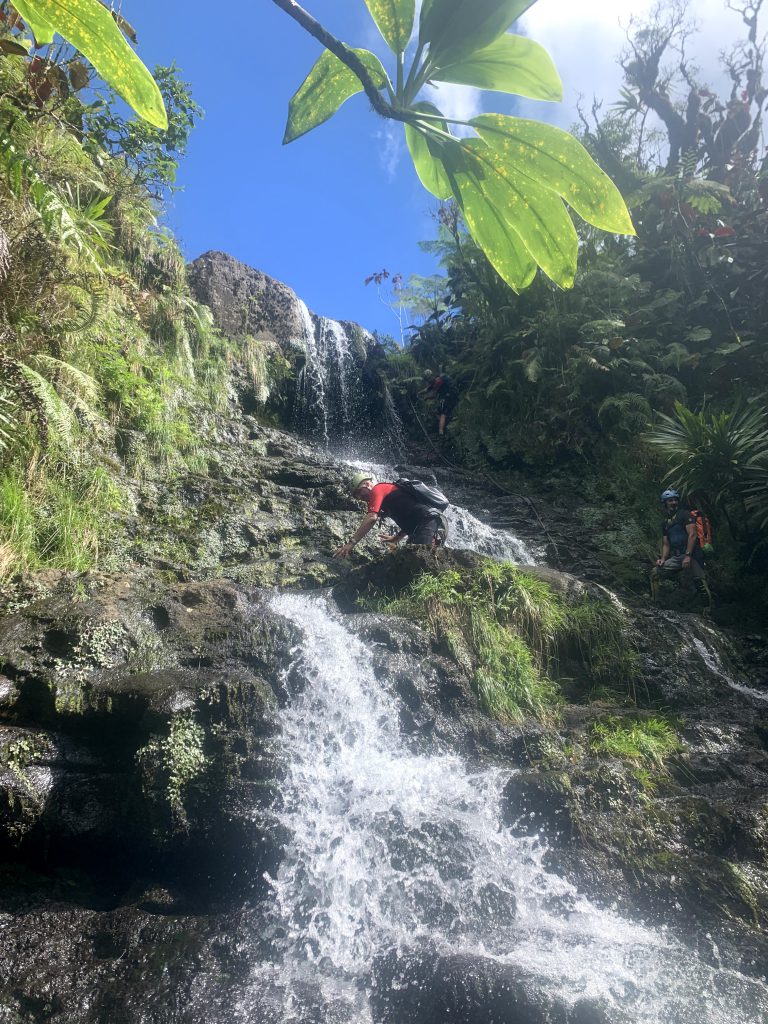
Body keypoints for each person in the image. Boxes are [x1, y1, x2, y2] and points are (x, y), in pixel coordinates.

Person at [333, 472, 446, 559]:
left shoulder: (378, 489)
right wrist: (397, 538)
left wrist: (351, 543)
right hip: (423, 525)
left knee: (420, 559)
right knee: (409, 559)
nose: (359, 498)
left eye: (359, 492)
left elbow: (372, 518)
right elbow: (411, 515)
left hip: (429, 520)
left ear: (367, 484)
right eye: (356, 496)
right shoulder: (386, 502)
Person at [650, 489, 713, 611]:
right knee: (655, 573)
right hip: (677, 556)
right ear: (665, 503)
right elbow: (666, 544)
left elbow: (693, 535)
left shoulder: (684, 514)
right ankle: (656, 605)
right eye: (670, 500)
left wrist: (688, 555)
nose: (673, 502)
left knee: (700, 581)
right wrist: (662, 559)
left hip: (693, 554)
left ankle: (708, 611)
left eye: (675, 500)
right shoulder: (665, 523)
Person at [421, 371, 458, 436]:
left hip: (449, 397)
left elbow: (434, 394)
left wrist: (426, 398)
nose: (428, 381)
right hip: (447, 397)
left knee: (443, 413)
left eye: (428, 379)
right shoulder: (436, 380)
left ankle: (441, 431)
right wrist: (419, 393)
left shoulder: (438, 381)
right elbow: (427, 389)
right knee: (436, 412)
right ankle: (445, 423)